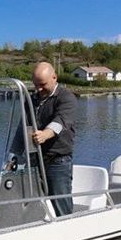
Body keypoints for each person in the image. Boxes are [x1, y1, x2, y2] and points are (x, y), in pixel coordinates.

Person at [31, 61, 76, 216]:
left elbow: (61, 121)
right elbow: (22, 127)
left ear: (54, 77)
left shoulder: (66, 97)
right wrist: (12, 156)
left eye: (42, 84)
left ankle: (69, 233)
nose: (39, 89)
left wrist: (45, 134)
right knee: (33, 203)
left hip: (59, 161)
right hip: (36, 160)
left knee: (61, 205)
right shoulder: (32, 99)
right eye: (35, 85)